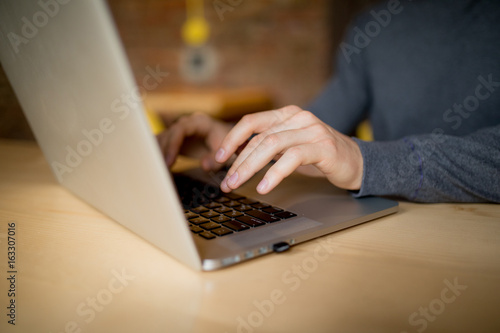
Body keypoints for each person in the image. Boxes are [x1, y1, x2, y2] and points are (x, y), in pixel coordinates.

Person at [158, 0, 500, 203]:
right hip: (397, 226)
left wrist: (365, 161)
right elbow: (321, 129)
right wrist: (235, 143)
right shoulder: (375, 25)